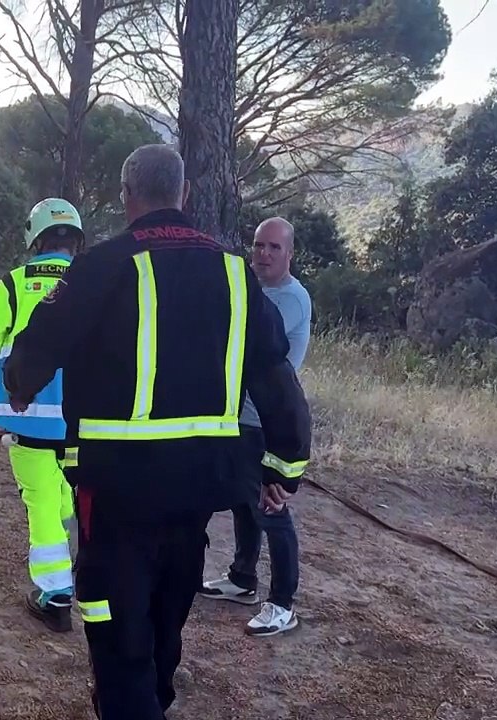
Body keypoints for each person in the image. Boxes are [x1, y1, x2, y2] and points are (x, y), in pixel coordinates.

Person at [2, 144, 312, 720]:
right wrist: (284, 466)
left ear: (126, 197)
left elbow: (40, 343)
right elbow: (276, 373)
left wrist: (20, 381)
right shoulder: (235, 272)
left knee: (113, 624)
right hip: (198, 489)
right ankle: (154, 696)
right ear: (184, 195)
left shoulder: (104, 265)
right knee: (169, 608)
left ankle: (132, 702)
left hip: (118, 490)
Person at [0, 198, 86, 633]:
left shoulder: (14, 284)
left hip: (28, 416)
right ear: (76, 239)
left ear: (34, 238)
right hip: (82, 421)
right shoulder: (93, 282)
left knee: (39, 501)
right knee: (65, 494)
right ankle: (73, 557)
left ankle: (55, 594)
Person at [198, 216, 313, 637]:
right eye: (259, 245)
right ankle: (242, 578)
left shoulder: (289, 300)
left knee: (271, 508)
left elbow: (241, 341)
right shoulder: (257, 291)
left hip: (262, 421)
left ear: (290, 254)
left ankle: (283, 603)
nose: (263, 254)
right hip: (237, 417)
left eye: (274, 248)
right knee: (243, 502)